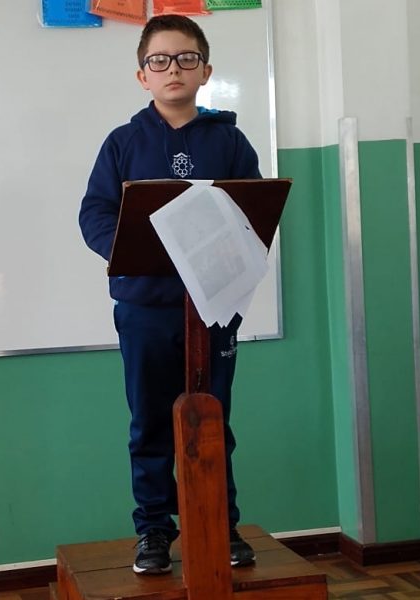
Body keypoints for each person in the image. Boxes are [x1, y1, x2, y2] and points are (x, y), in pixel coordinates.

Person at [79, 14, 260, 575]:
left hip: (213, 307)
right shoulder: (122, 143)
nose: (173, 69)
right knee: (150, 423)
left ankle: (220, 525)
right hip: (144, 309)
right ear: (143, 76)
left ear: (205, 70)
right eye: (159, 61)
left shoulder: (230, 141)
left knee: (212, 419)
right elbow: (94, 214)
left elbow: (255, 214)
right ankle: (154, 530)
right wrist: (129, 247)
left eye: (186, 58)